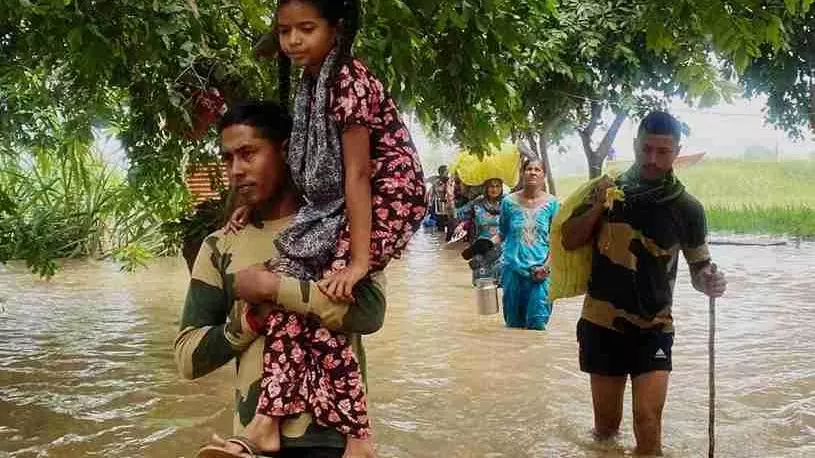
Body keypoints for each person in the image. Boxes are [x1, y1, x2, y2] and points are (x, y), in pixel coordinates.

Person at [207, 1, 427, 456]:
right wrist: (249, 206)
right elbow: (316, 173)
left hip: (389, 195)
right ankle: (268, 421)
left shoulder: (347, 80)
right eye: (285, 32)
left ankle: (356, 436)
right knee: (287, 286)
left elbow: (358, 174)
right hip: (337, 204)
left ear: (337, 28)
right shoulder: (312, 80)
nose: (293, 42)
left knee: (327, 293)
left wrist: (359, 262)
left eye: (306, 29)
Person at [178, 101, 387, 458]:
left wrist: (276, 290)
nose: (235, 170)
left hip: (337, 442)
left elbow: (369, 313)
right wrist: (250, 320)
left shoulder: (346, 229)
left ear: (288, 151)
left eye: (248, 154)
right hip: (251, 445)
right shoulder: (222, 245)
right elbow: (188, 359)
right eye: (228, 159)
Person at [561, 111, 727, 455]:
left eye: (663, 152)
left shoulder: (687, 208)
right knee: (606, 430)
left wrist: (710, 281)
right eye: (646, 149)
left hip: (654, 325)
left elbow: (700, 268)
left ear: (676, 151)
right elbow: (569, 240)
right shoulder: (606, 191)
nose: (652, 159)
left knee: (648, 424)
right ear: (635, 145)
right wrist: (596, 206)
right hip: (601, 323)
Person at [498, 159, 560, 330]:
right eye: (529, 169)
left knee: (538, 324)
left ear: (543, 175)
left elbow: (557, 240)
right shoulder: (508, 202)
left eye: (537, 169)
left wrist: (546, 267)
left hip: (541, 271)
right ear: (522, 173)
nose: (533, 172)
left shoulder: (553, 203)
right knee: (513, 325)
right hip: (512, 269)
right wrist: (483, 247)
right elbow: (502, 233)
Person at [454, 178, 504, 284]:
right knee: (483, 292)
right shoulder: (477, 204)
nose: (494, 189)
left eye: (497, 186)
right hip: (482, 253)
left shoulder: (508, 203)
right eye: (491, 186)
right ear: (485, 188)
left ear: (501, 188)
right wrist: (449, 198)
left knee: (505, 293)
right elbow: (456, 214)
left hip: (503, 253)